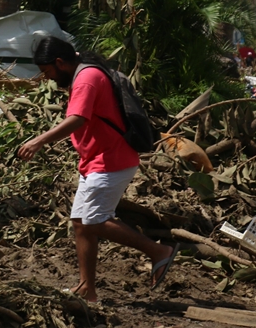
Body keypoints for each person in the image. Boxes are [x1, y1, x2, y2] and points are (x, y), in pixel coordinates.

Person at [17, 36, 178, 303]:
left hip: (110, 161)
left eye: (48, 72)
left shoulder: (86, 78)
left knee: (93, 219)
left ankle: (158, 251)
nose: (48, 78)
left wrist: (38, 141)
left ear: (60, 62)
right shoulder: (85, 69)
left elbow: (77, 119)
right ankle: (86, 289)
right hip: (98, 160)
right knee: (81, 223)